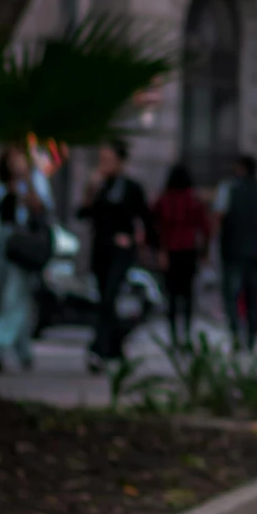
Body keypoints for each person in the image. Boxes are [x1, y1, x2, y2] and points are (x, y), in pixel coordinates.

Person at [78, 139, 152, 369]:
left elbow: (146, 219)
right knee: (104, 300)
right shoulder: (100, 186)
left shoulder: (131, 188)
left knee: (109, 296)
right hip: (101, 249)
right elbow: (83, 213)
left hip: (120, 251)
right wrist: (90, 191)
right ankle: (115, 346)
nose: (104, 165)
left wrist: (134, 240)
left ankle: (98, 349)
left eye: (108, 160)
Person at [0, 145, 52, 373]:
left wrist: (27, 181)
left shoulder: (35, 181)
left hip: (24, 245)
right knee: (12, 296)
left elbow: (40, 208)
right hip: (2, 244)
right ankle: (23, 350)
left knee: (15, 295)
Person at [217, 155, 257, 350]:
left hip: (234, 252)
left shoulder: (229, 190)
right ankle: (250, 339)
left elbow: (218, 216)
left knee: (232, 297)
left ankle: (235, 336)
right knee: (252, 297)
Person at [154, 163, 212, 348]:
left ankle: (173, 335)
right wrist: (204, 252)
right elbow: (205, 228)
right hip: (188, 251)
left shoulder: (164, 199)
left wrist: (159, 250)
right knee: (187, 296)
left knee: (171, 296)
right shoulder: (194, 200)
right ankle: (186, 333)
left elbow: (154, 225)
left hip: (170, 251)